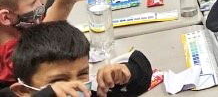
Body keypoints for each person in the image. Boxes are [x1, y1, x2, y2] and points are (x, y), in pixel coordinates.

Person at [3, 21, 152, 97]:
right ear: (23, 91)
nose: (75, 85)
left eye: (82, 74)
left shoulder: (89, 91)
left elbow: (142, 74)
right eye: (58, 81)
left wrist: (126, 72)